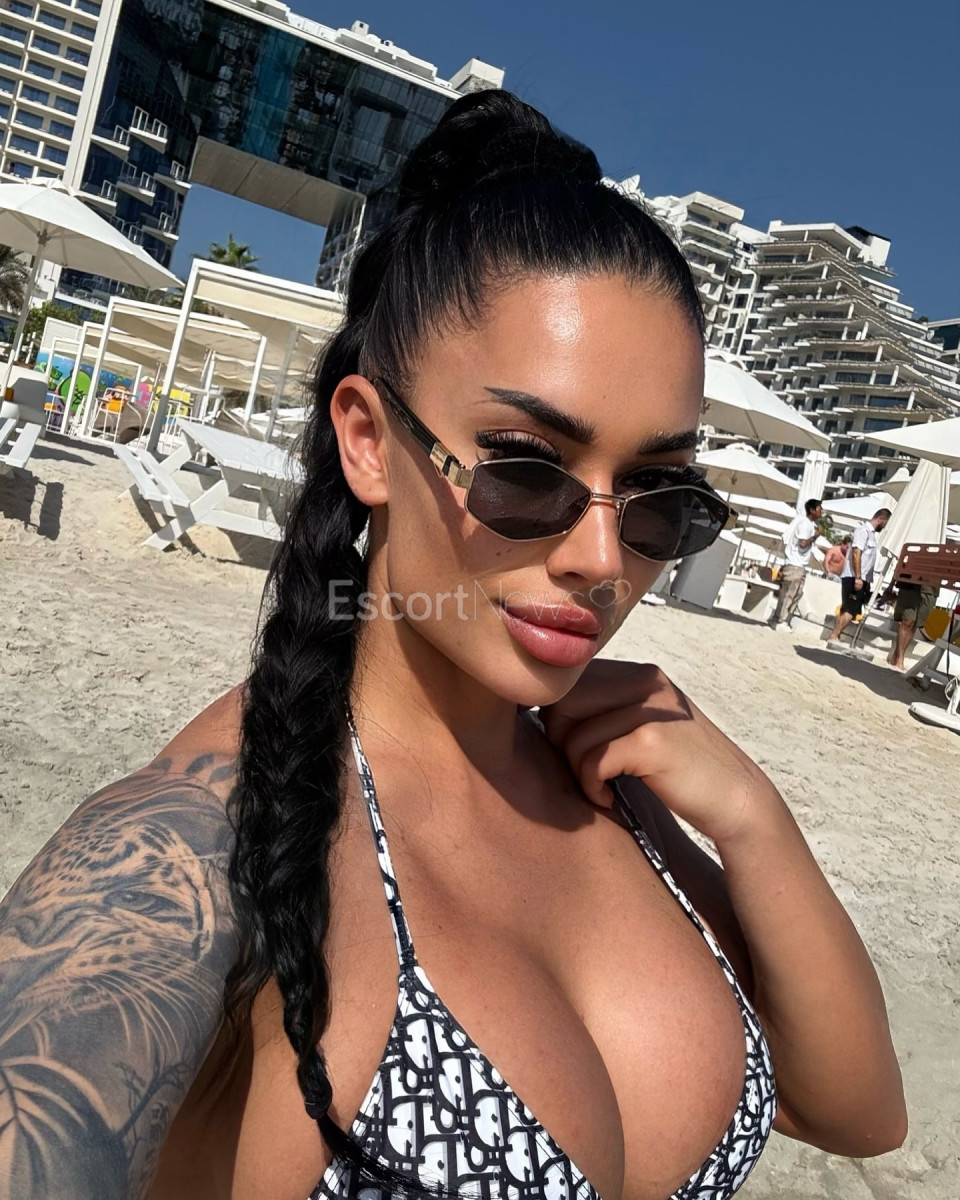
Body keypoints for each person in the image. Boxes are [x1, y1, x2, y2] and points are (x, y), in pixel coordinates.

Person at [0, 92, 906, 1200]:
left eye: (658, 496)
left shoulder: (616, 788)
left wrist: (753, 819)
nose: (601, 557)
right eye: (526, 469)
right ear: (369, 442)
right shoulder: (210, 833)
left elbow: (858, 1113)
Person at [826, 508, 892, 644]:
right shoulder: (863, 531)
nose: (885, 527)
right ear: (880, 520)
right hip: (854, 577)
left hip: (861, 578)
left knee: (850, 609)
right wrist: (858, 577)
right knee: (851, 610)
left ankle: (836, 635)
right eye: (885, 523)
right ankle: (834, 635)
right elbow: (856, 553)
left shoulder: (871, 534)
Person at [770, 497, 823, 631]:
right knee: (791, 594)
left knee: (791, 593)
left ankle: (778, 619)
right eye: (819, 508)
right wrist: (815, 536)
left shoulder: (805, 523)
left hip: (795, 564)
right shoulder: (805, 524)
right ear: (812, 510)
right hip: (796, 565)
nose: (821, 511)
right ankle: (780, 620)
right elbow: (802, 543)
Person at [887, 580, 938, 670]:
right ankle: (900, 658)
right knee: (907, 622)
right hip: (911, 583)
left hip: (931, 587)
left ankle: (896, 656)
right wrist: (892, 583)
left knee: (915, 625)